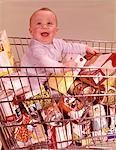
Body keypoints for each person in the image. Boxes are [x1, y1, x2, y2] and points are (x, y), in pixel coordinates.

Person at [21, 7, 99, 89]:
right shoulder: (35, 48)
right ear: (31, 31)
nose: (44, 26)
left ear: (56, 30)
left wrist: (85, 48)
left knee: (59, 86)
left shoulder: (57, 42)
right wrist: (62, 67)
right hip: (32, 78)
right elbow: (46, 62)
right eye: (39, 23)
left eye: (49, 23)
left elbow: (70, 47)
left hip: (48, 75)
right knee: (36, 93)